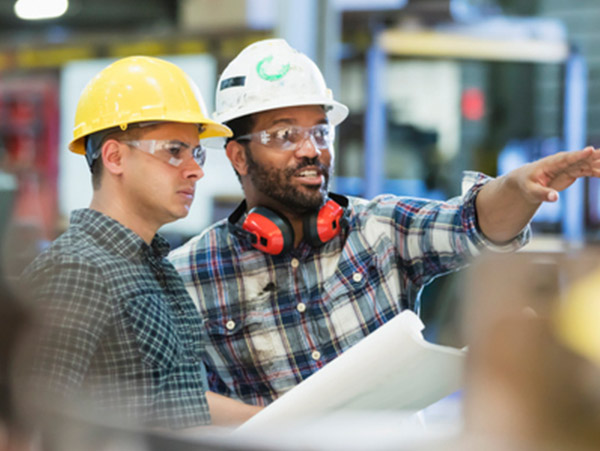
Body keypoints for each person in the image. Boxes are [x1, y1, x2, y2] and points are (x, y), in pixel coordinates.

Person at [169, 39, 600, 406]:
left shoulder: (379, 229)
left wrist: (520, 188)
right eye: (285, 135)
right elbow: (181, 405)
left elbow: (474, 222)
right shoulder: (189, 275)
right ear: (238, 155)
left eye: (320, 131)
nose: (311, 150)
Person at [18, 56, 260, 429]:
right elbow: (27, 422)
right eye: (174, 151)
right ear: (115, 157)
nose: (195, 169)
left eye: (195, 153)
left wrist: (281, 420)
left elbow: (181, 400)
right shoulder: (77, 272)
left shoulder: (155, 267)